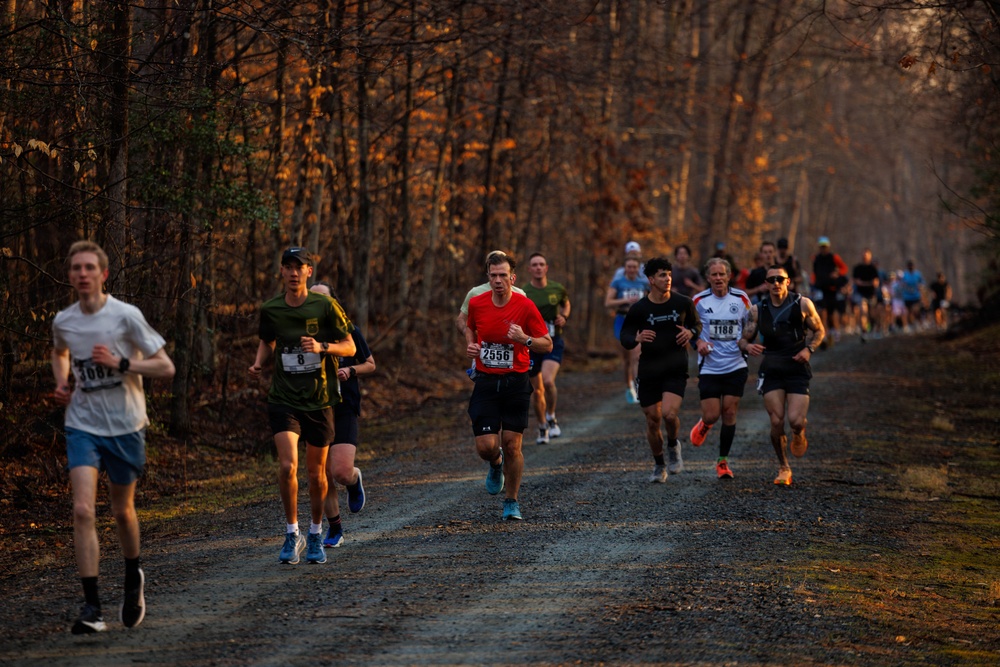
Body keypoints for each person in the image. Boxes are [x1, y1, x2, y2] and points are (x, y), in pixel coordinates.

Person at [51, 240, 176, 634]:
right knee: (83, 510)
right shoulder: (64, 321)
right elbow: (59, 352)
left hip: (125, 424)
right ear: (70, 275)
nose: (82, 274)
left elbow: (166, 367)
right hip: (82, 424)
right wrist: (62, 382)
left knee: (122, 511)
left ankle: (133, 575)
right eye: (76, 268)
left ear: (103, 274)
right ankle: (92, 608)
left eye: (90, 267)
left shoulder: (125, 316)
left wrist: (121, 362)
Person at [249, 247, 356, 565]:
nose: (294, 272)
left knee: (316, 473)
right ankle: (291, 533)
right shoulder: (271, 309)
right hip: (283, 398)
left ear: (309, 271)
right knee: (287, 466)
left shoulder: (325, 305)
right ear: (282, 271)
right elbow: (267, 340)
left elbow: (349, 346)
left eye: (300, 267)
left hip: (319, 399)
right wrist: (258, 362)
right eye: (288, 267)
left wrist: (322, 346)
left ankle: (315, 533)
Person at [465, 251, 552, 521]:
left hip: (516, 381)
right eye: (493, 275)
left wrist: (525, 339)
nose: (498, 280)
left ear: (512, 278)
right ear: (488, 277)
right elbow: (469, 327)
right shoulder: (477, 303)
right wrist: (471, 345)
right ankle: (495, 462)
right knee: (485, 447)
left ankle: (511, 501)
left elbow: (547, 343)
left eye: (503, 275)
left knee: (513, 445)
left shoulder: (525, 306)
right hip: (486, 381)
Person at [619, 257, 701, 482]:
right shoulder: (639, 308)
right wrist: (636, 338)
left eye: (669, 274)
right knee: (652, 419)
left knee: (669, 414)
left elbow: (697, 324)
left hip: (675, 366)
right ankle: (659, 464)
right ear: (651, 279)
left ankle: (673, 445)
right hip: (649, 369)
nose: (667, 279)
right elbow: (625, 336)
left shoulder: (683, 303)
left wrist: (691, 333)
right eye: (662, 275)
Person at [741, 265, 825, 485]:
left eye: (780, 279)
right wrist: (747, 346)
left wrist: (809, 349)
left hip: (797, 367)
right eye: (771, 280)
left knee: (795, 420)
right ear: (766, 284)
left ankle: (799, 433)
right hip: (771, 369)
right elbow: (743, 339)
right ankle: (783, 467)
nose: (776, 283)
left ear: (788, 281)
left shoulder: (803, 304)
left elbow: (819, 330)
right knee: (776, 421)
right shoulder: (757, 310)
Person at [310, 281, 375, 549]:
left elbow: (370, 364)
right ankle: (335, 528)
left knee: (341, 472)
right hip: (315, 408)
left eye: (323, 300)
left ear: (334, 303)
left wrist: (351, 370)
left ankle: (353, 479)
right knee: (323, 473)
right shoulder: (303, 334)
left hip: (344, 405)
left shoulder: (349, 331)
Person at [690, 258, 752, 479]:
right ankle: (705, 424)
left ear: (729, 276)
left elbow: (751, 325)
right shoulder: (698, 301)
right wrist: (698, 342)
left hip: (736, 364)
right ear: (708, 278)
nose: (718, 278)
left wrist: (747, 342)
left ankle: (722, 461)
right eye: (714, 275)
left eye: (722, 274)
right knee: (712, 414)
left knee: (729, 411)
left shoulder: (741, 298)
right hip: (710, 366)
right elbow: (689, 329)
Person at [522, 252, 571, 444]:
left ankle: (551, 415)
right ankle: (543, 427)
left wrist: (564, 316)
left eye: (541, 264)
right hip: (532, 344)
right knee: (537, 390)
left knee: (548, 381)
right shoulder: (523, 292)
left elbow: (566, 304)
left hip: (553, 341)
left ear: (546, 268)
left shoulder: (557, 288)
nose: (538, 267)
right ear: (529, 269)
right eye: (534, 265)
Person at [606, 256, 649, 404]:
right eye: (629, 267)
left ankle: (639, 387)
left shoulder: (644, 283)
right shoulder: (618, 282)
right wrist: (625, 301)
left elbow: (652, 299)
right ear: (625, 269)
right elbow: (608, 302)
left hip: (639, 321)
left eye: (634, 267)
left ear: (638, 269)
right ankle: (629, 385)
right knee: (627, 359)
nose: (631, 269)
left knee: (636, 355)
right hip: (622, 321)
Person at [810, 236, 848, 344]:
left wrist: (837, 273)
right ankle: (824, 333)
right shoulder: (815, 258)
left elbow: (844, 268)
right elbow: (814, 272)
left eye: (825, 246)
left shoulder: (834, 257)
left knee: (832, 313)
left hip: (832, 288)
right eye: (822, 247)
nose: (823, 248)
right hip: (820, 287)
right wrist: (812, 282)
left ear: (828, 247)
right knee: (822, 311)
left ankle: (834, 331)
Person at [851, 249, 880, 341]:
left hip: (871, 294)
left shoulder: (873, 269)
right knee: (863, 310)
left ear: (870, 256)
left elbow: (876, 283)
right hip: (860, 293)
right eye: (864, 255)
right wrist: (868, 283)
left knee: (872, 314)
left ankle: (872, 328)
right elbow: (856, 281)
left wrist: (863, 283)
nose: (865, 257)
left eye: (867, 255)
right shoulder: (858, 268)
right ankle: (863, 331)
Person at [900, 260, 926, 328]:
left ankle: (920, 322)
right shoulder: (905, 274)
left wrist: (921, 287)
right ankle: (912, 324)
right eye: (909, 266)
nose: (911, 267)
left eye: (912, 266)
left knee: (916, 309)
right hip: (907, 296)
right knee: (909, 311)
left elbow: (922, 282)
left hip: (916, 295)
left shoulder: (917, 274)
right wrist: (903, 285)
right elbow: (901, 284)